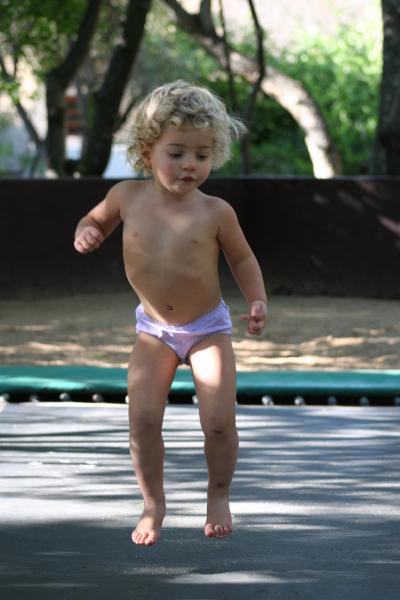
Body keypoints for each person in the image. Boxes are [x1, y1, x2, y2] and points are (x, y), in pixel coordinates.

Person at [74, 80, 268, 546]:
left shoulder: (216, 211)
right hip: (154, 331)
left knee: (218, 421)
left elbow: (242, 258)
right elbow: (94, 219)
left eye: (202, 155)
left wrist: (257, 299)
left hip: (207, 329)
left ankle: (218, 494)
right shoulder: (126, 197)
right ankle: (152, 504)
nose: (189, 165)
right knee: (141, 419)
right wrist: (87, 231)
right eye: (177, 153)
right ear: (147, 150)